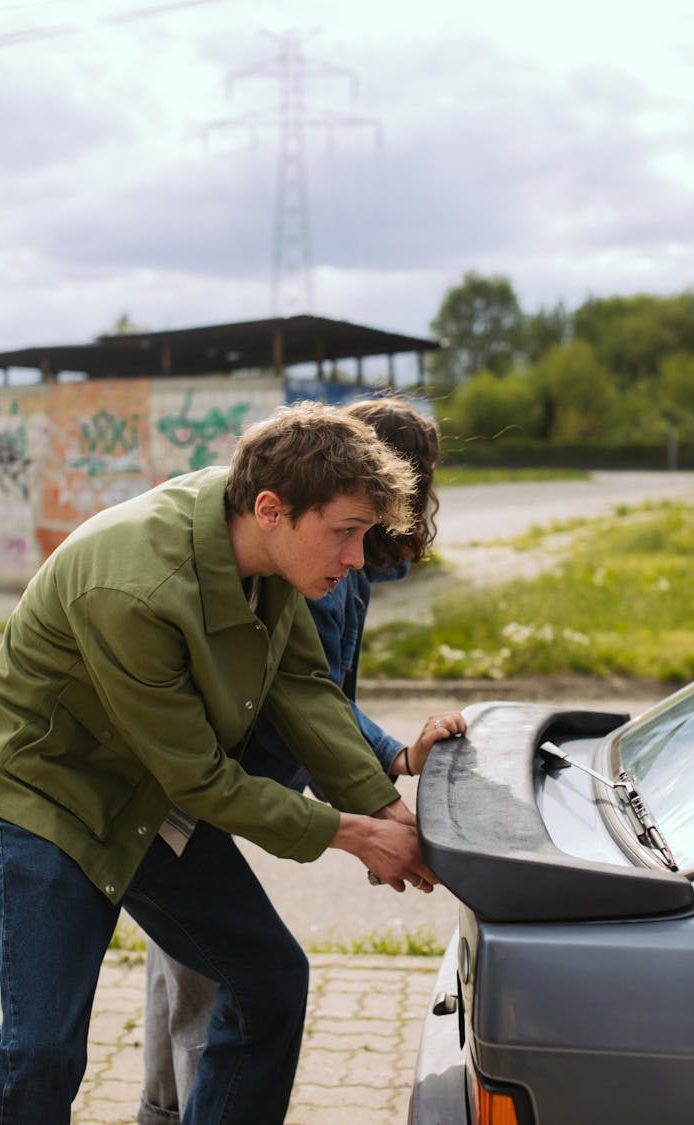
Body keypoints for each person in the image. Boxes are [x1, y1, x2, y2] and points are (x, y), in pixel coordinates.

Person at [0, 401, 441, 1125]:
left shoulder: (271, 555)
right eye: (346, 533)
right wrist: (352, 834)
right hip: (55, 801)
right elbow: (200, 780)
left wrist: (387, 809)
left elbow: (306, 691)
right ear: (271, 507)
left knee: (268, 982)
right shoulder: (137, 589)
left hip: (151, 803)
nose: (356, 560)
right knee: (42, 1053)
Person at [138, 396, 467, 1124]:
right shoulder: (314, 571)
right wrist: (380, 794)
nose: (401, 510)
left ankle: (161, 1111)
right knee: (216, 986)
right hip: (206, 789)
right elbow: (310, 701)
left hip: (218, 790)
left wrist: (394, 765)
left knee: (187, 969)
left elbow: (321, 694)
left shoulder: (347, 566)